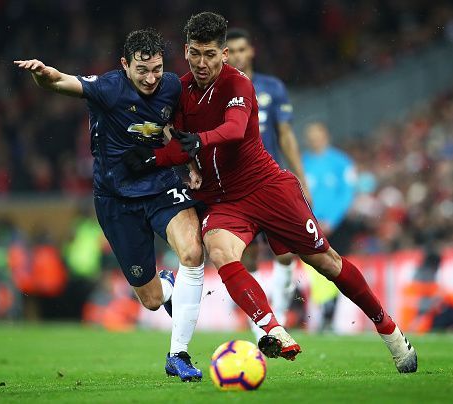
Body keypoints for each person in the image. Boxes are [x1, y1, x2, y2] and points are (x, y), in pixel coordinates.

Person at [123, 12, 417, 373]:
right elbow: (181, 148)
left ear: (224, 54)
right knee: (218, 249)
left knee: (326, 262)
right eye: (196, 53)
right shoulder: (180, 91)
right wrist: (151, 158)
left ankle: (389, 329)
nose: (202, 63)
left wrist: (198, 142)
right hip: (224, 200)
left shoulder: (238, 85)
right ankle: (272, 327)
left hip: (268, 189)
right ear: (186, 50)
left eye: (210, 55)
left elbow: (231, 131)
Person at [13, 29, 205, 381]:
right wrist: (43, 75)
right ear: (124, 65)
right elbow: (60, 83)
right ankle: (166, 284)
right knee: (150, 298)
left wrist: (189, 164)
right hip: (116, 199)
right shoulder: (108, 87)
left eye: (157, 69)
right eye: (142, 70)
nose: (151, 78)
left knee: (192, 253)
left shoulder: (172, 86)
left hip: (161, 185)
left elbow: (170, 127)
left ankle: (178, 355)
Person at [225, 28, 310, 341]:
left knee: (286, 254)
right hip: (235, 189)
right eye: (230, 50)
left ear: (251, 52)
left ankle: (281, 310)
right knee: (245, 257)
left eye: (241, 49)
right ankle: (260, 325)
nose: (236, 55)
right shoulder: (217, 89)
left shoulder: (272, 87)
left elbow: (285, 134)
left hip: (270, 182)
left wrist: (300, 176)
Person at [302, 123, 357, 331]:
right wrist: (312, 220)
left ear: (326, 136)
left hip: (338, 226)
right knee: (315, 268)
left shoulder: (341, 162)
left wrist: (331, 220)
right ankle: (323, 313)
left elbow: (346, 194)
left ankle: (330, 314)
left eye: (317, 135)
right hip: (309, 224)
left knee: (337, 267)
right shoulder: (302, 163)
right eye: (310, 136)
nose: (314, 140)